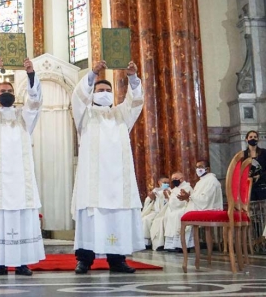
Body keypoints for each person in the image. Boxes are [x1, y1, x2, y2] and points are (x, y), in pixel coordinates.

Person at [71, 60, 144, 274]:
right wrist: (92, 73)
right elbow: (77, 97)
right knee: (90, 218)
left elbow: (136, 101)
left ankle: (117, 260)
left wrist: (132, 78)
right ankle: (84, 259)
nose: (104, 93)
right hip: (93, 180)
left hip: (117, 181)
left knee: (117, 219)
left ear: (113, 95)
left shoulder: (122, 114)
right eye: (99, 90)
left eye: (107, 90)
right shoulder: (85, 115)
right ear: (92, 94)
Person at [0, 57, 44, 276]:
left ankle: (23, 262)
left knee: (22, 217)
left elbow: (35, 101)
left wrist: (31, 73)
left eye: (9, 90)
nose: (6, 92)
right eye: (2, 90)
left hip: (20, 180)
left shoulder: (25, 117)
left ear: (15, 95)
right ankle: (0, 263)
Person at [162, 172, 193, 251]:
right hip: (175, 210)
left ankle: (181, 245)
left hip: (184, 209)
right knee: (169, 215)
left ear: (182, 179)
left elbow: (181, 202)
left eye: (175, 178)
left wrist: (171, 200)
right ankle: (172, 245)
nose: (173, 181)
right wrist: (167, 197)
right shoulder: (175, 189)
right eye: (172, 179)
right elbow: (172, 203)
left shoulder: (187, 187)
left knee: (178, 215)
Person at [142, 177, 170, 249]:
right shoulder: (155, 191)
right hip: (155, 211)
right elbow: (148, 202)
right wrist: (151, 199)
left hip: (164, 212)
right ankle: (146, 242)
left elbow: (170, 202)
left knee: (158, 221)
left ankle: (159, 244)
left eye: (167, 183)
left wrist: (167, 197)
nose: (166, 184)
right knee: (145, 219)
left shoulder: (170, 191)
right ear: (159, 182)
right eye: (164, 182)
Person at [243, 131, 266, 201]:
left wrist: (260, 175)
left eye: (255, 137)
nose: (253, 139)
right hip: (249, 187)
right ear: (246, 139)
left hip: (263, 186)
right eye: (250, 137)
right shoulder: (243, 155)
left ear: (258, 139)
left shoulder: (264, 153)